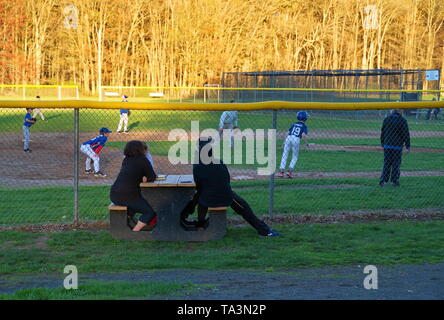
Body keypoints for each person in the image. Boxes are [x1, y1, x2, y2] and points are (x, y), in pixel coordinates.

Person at [181, 137, 279, 237]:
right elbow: (227, 181)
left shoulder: (197, 166)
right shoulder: (219, 162)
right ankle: (264, 231)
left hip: (206, 199)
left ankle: (200, 223)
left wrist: (194, 203)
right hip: (225, 198)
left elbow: (199, 187)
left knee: (201, 196)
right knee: (243, 207)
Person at [110, 140, 157, 232]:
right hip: (129, 196)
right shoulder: (143, 160)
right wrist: (144, 177)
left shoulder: (126, 160)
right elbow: (152, 177)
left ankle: (125, 225)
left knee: (134, 206)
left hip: (114, 195)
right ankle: (135, 231)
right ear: (140, 149)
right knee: (150, 212)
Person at [379, 109, 411, 187]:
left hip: (387, 145)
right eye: (402, 110)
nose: (403, 111)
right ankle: (394, 181)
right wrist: (407, 146)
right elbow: (405, 133)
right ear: (399, 111)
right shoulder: (402, 120)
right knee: (396, 163)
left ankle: (383, 180)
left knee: (387, 163)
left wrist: (383, 143)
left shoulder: (387, 119)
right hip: (397, 146)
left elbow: (383, 132)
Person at [277, 111, 310, 178]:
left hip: (288, 138)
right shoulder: (304, 126)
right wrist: (307, 143)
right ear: (305, 118)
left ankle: (281, 172)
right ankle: (289, 171)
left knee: (284, 155)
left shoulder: (294, 124)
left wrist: (283, 143)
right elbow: (303, 135)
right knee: (294, 156)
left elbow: (288, 132)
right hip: (296, 139)